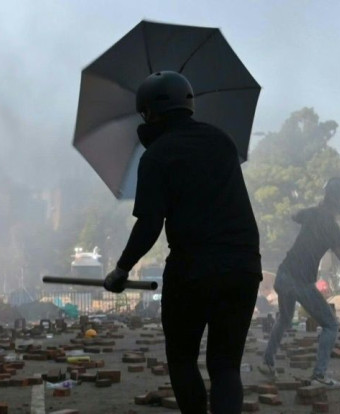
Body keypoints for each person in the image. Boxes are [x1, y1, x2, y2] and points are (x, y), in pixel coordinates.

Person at [102, 71, 262, 414]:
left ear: (149, 113)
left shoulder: (157, 156)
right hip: (243, 268)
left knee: (182, 359)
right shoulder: (222, 141)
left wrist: (120, 270)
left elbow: (149, 225)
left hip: (193, 270)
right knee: (225, 366)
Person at [261, 177, 340, 388]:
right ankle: (319, 376)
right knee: (330, 325)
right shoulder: (330, 225)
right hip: (301, 281)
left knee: (284, 319)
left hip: (283, 274)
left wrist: (311, 209)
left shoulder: (313, 214)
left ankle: (268, 362)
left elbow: (295, 215)